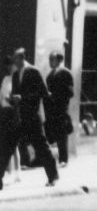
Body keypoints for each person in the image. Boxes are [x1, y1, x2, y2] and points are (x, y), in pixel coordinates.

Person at [11, 48, 58, 186]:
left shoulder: (33, 71)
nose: (14, 61)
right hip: (20, 116)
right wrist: (13, 99)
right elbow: (15, 93)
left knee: (41, 146)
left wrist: (23, 98)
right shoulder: (15, 75)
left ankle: (53, 176)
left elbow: (44, 92)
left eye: (15, 58)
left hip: (33, 116)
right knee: (8, 144)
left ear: (22, 58)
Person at [45, 52, 74, 167]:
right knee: (53, 133)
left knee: (62, 134)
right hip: (51, 108)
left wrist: (56, 95)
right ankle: (54, 157)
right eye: (49, 59)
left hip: (61, 107)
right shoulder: (49, 75)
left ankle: (63, 159)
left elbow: (70, 92)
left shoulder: (66, 73)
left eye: (52, 59)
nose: (50, 62)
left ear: (59, 60)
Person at [0, 56, 22, 191]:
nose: (9, 67)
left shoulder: (16, 79)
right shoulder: (5, 79)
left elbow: (15, 99)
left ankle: (17, 172)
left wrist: (10, 101)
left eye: (10, 65)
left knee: (13, 145)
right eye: (7, 65)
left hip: (12, 113)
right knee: (5, 144)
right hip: (4, 113)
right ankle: (10, 171)